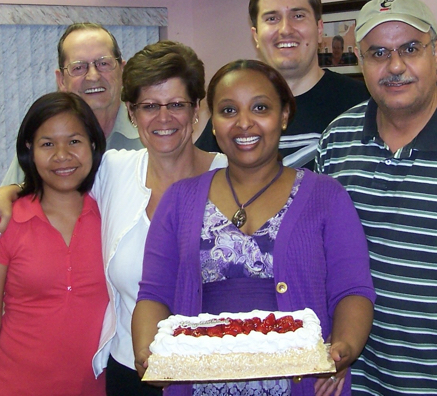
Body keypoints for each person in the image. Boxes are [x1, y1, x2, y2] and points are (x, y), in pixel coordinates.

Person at [0, 41, 228, 395]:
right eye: (148, 106)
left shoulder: (230, 178)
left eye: (176, 104)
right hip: (129, 374)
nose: (163, 118)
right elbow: (57, 172)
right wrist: (4, 194)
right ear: (132, 113)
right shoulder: (113, 171)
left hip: (216, 372)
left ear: (196, 110)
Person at [133, 59, 376, 396]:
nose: (244, 123)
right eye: (228, 110)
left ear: (284, 116)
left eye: (260, 107)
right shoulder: (179, 200)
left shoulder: (327, 197)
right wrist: (149, 355)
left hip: (305, 384)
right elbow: (154, 294)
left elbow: (352, 290)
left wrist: (342, 348)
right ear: (213, 123)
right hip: (197, 385)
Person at [315, 0, 437, 395]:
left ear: (434, 51)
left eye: (410, 49)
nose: (395, 66)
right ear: (359, 61)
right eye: (378, 53)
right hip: (360, 380)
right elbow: (323, 257)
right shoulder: (337, 140)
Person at [0, 92, 108, 395]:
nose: (62, 155)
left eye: (74, 141)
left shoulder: (111, 216)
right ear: (29, 149)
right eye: (47, 144)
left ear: (93, 145)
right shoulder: (6, 222)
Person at [195, 0, 369, 169]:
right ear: (256, 36)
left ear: (320, 29)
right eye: (272, 18)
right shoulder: (233, 111)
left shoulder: (362, 102)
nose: (286, 29)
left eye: (298, 15)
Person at [1, 22, 143, 186]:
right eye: (78, 67)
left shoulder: (148, 133)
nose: (93, 76)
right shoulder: (44, 138)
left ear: (122, 71)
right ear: (61, 80)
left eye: (103, 63)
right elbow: (11, 196)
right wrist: (10, 192)